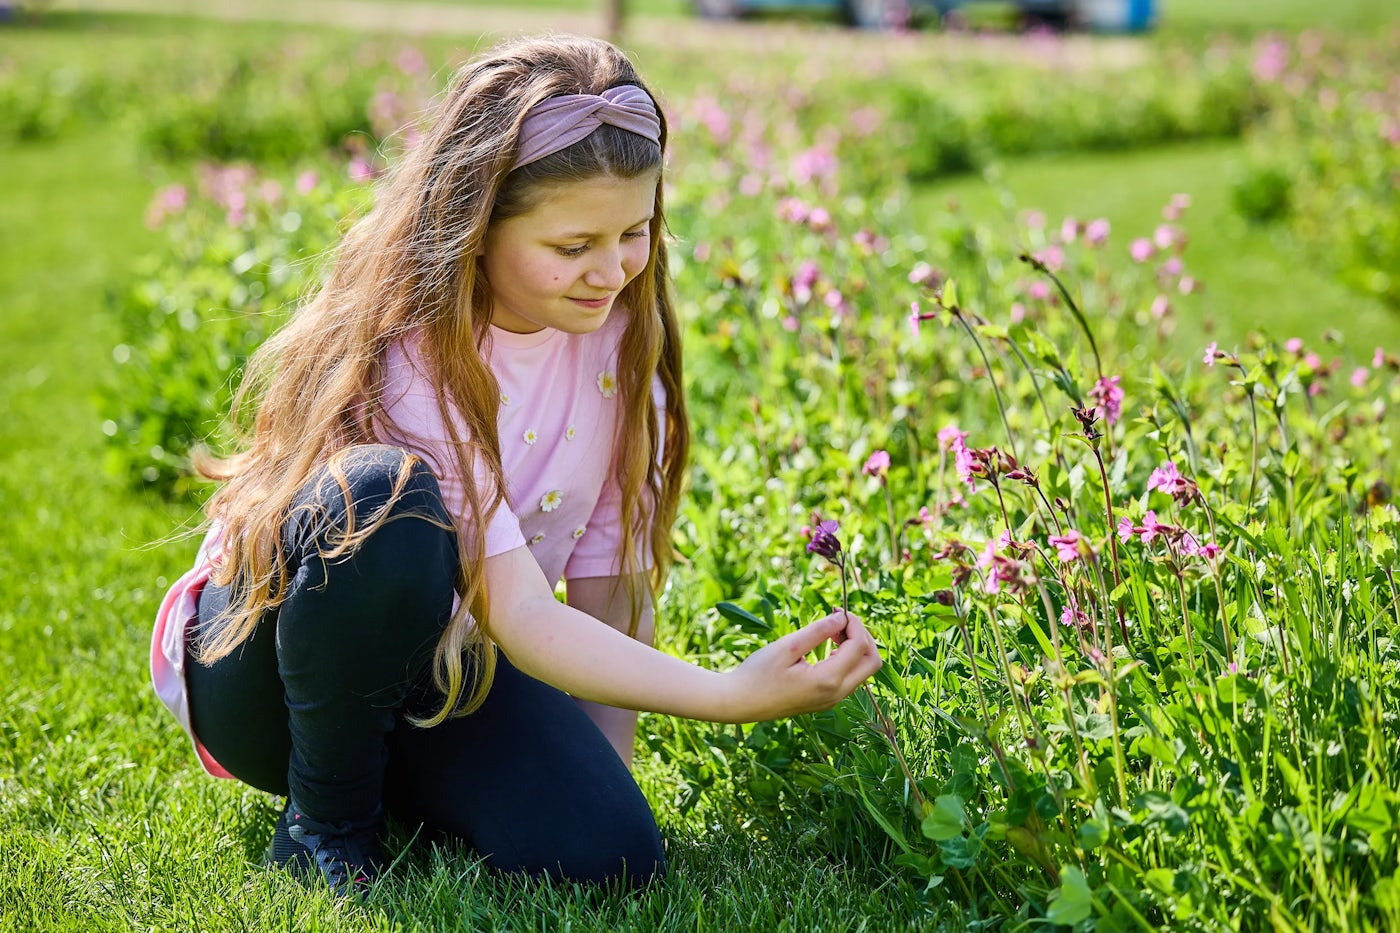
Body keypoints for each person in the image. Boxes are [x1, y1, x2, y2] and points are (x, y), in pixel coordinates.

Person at [150, 34, 882, 898]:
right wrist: (728, 691)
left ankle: (397, 782)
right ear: (477, 225)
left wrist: (607, 775)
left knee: (612, 855)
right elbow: (523, 610)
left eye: (634, 232)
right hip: (267, 672)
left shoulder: (620, 343)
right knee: (386, 499)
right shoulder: (418, 349)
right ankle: (325, 822)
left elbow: (613, 582)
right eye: (572, 246)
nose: (610, 271)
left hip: (444, 666)